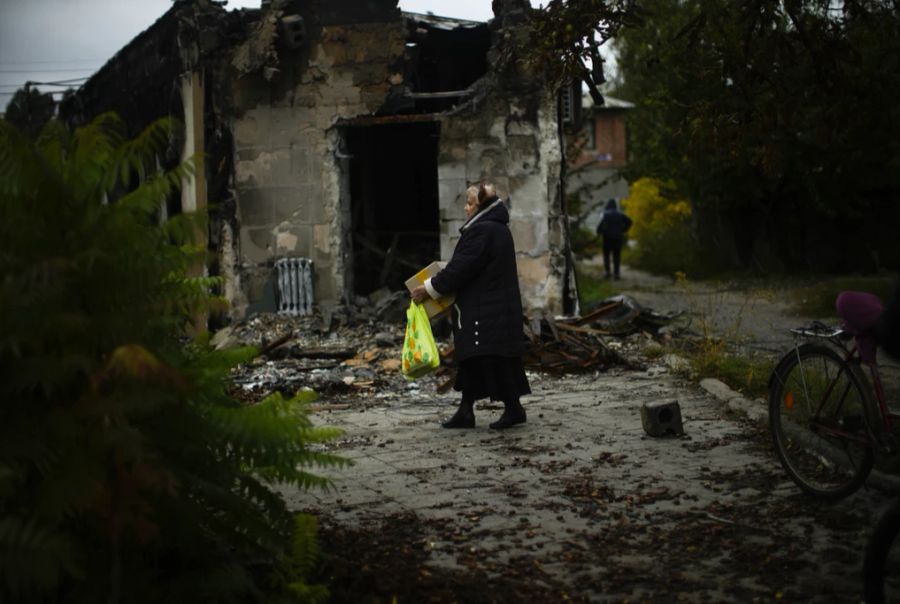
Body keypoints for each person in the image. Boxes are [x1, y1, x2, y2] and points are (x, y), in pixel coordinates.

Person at [411, 183, 531, 430]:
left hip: (484, 309)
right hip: (491, 308)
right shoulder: (496, 229)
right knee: (475, 358)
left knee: (488, 357)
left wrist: (429, 288)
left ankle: (512, 409)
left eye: (469, 203)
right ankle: (468, 411)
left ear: (481, 206)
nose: (465, 209)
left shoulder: (482, 231)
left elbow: (461, 268)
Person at [595, 198, 632, 280]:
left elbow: (601, 225)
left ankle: (607, 272)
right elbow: (630, 221)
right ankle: (616, 274)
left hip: (607, 238)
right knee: (617, 256)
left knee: (606, 255)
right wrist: (624, 230)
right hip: (618, 238)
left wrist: (599, 232)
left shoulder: (606, 214)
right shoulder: (620, 214)